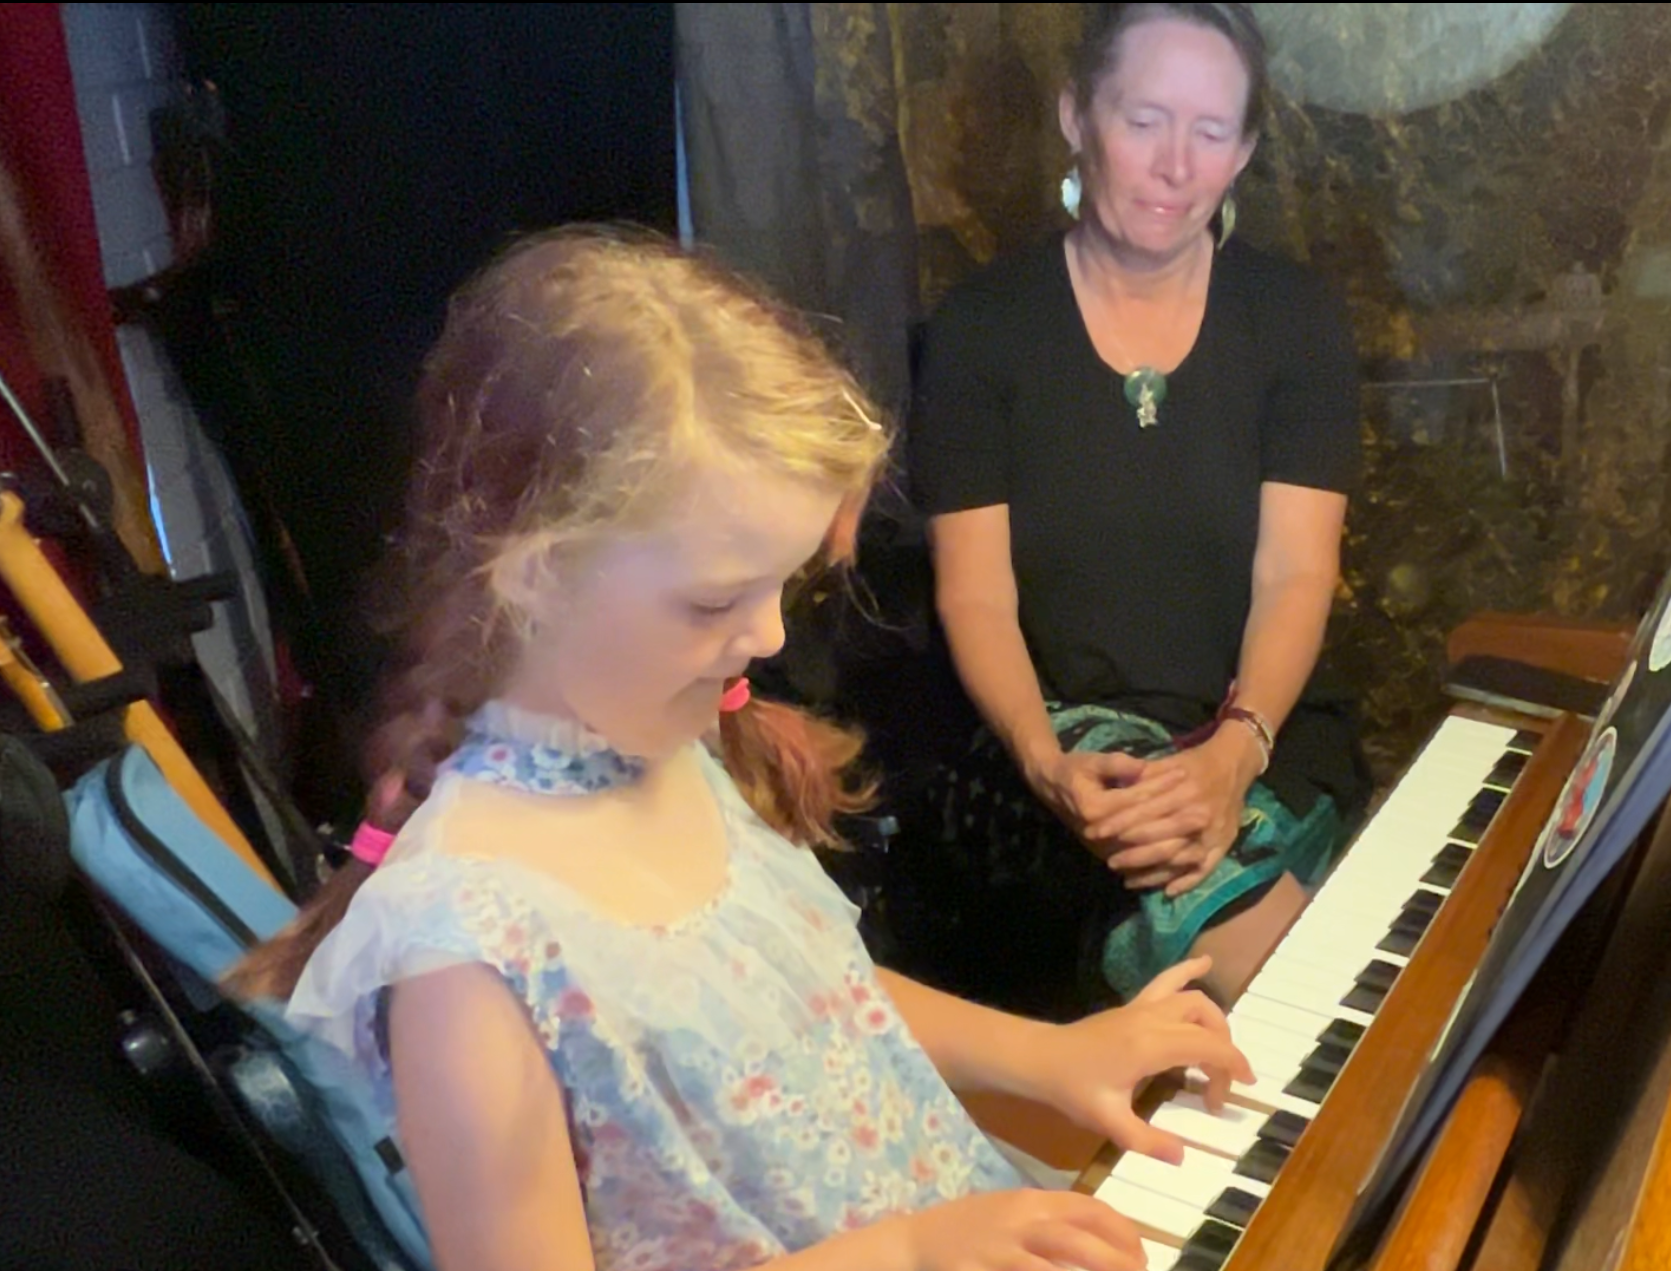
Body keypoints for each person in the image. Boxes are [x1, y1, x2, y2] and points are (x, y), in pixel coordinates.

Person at [223, 224, 1251, 1271]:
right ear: (531, 570)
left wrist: (1053, 1052)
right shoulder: (461, 952)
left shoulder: (665, 747)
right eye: (717, 598)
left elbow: (808, 1006)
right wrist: (899, 1254)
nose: (767, 635)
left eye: (781, 585)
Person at [905, 2, 1369, 1017]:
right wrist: (1044, 758)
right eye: (1144, 118)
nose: (1174, 165)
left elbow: (1295, 572)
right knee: (1303, 1002)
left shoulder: (1295, 321)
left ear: (1242, 151)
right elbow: (975, 595)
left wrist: (1234, 749)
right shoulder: (981, 329)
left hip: (1262, 728)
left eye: (1211, 132)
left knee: (1336, 983)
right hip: (1059, 746)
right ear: (1078, 116)